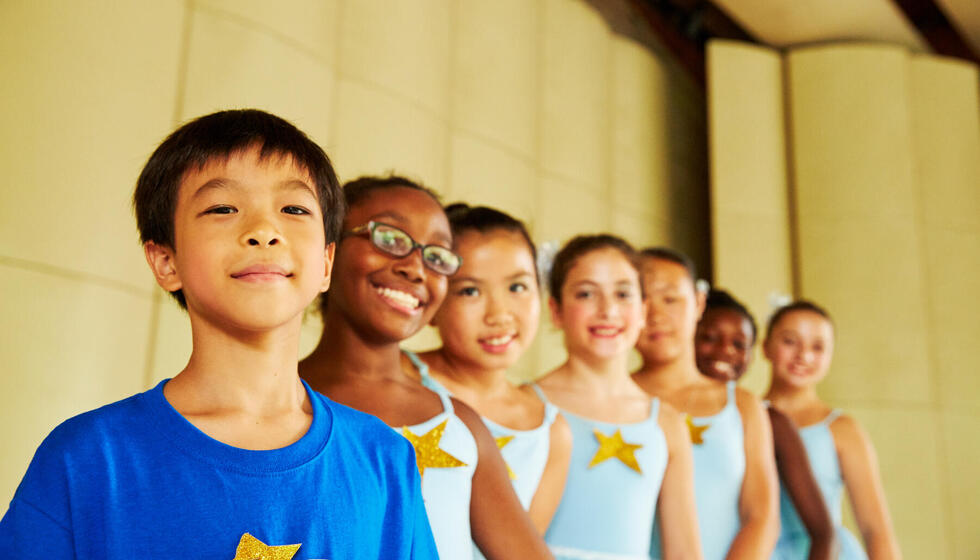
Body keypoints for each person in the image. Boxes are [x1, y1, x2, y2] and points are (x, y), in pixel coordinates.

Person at [0, 109, 437, 558]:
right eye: (222, 208)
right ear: (165, 261)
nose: (264, 231)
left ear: (326, 262)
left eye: (294, 209)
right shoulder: (88, 458)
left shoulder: (383, 459)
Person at [300, 176, 552, 560]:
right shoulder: (268, 401)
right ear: (326, 251)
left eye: (436, 255)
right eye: (390, 238)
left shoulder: (460, 425)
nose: (416, 268)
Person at [537, 235, 701, 560]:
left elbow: (684, 552)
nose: (608, 310)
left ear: (642, 310)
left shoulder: (665, 423)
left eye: (623, 294)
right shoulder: (528, 407)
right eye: (586, 294)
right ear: (556, 310)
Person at [415, 203, 572, 539]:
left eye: (517, 287)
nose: (499, 314)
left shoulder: (550, 431)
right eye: (470, 291)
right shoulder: (399, 381)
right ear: (435, 296)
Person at [632, 248, 778, 560]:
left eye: (670, 299)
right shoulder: (609, 401)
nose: (655, 314)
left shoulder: (742, 406)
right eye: (640, 299)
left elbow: (762, 516)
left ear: (698, 302)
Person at [696, 289, 836, 560]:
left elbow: (823, 533)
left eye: (739, 344)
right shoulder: (654, 409)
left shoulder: (767, 420)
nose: (726, 350)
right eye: (710, 338)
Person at [763, 301, 901, 559]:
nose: (804, 356)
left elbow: (875, 529)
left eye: (818, 347)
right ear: (765, 346)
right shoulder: (744, 418)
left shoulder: (841, 429)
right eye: (790, 341)